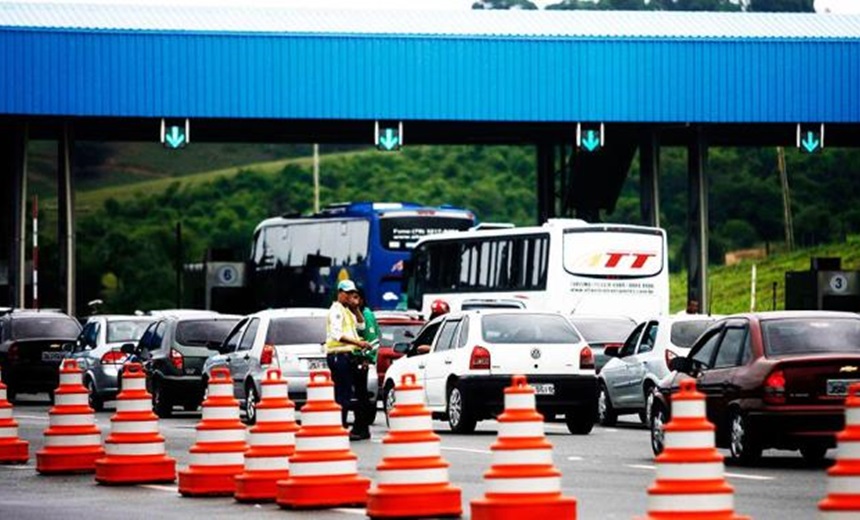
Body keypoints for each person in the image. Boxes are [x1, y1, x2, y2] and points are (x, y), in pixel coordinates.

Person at [325, 279, 371, 437]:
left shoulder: (348, 311)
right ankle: (340, 426)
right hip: (338, 355)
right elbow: (337, 335)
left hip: (347, 355)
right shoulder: (336, 310)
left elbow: (361, 326)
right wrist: (359, 343)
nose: (351, 296)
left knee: (346, 392)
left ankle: (341, 425)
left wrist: (356, 308)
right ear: (340, 293)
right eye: (348, 293)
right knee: (342, 393)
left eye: (353, 293)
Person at [348, 288, 379, 441]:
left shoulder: (366, 315)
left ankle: (361, 427)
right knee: (357, 395)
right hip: (353, 359)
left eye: (354, 297)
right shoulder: (354, 315)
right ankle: (360, 427)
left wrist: (367, 358)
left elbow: (373, 339)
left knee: (361, 396)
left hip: (361, 360)